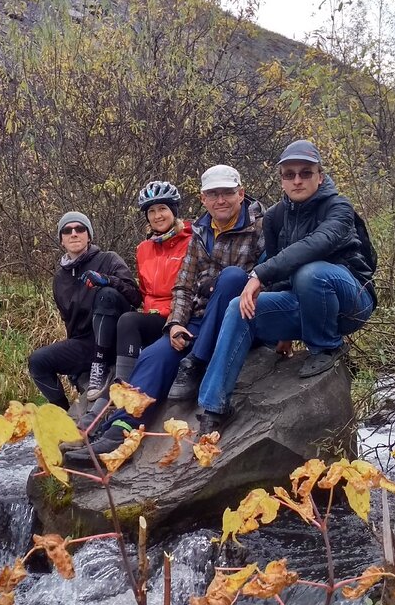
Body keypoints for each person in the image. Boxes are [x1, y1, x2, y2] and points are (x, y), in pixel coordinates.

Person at [65, 165, 265, 464]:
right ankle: (119, 430)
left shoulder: (261, 226)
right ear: (203, 198)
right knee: (154, 356)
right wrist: (175, 325)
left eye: (226, 192)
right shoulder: (202, 233)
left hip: (241, 318)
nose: (220, 199)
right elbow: (183, 287)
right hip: (199, 320)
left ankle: (195, 361)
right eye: (213, 194)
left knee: (233, 278)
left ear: (241, 192)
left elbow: (274, 272)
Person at [194, 139, 377, 436]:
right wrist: (279, 327)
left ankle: (327, 346)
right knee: (239, 307)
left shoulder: (339, 207)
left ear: (320, 175)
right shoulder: (277, 216)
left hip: (351, 301)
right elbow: (280, 275)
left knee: (310, 272)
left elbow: (316, 245)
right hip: (303, 303)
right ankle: (214, 407)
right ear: (281, 178)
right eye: (289, 174)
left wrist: (258, 275)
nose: (297, 180)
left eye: (306, 172)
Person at [76, 181, 193, 428]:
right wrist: (109, 282)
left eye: (162, 208)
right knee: (126, 319)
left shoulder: (192, 240)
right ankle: (116, 388)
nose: (157, 215)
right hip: (152, 317)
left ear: (174, 210)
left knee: (129, 321)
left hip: (179, 316)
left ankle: (119, 392)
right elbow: (141, 294)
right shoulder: (143, 249)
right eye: (151, 211)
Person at [28, 211, 142, 410]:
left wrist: (108, 280)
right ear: (61, 240)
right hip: (85, 343)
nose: (74, 233)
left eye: (80, 229)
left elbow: (135, 296)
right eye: (67, 230)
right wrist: (74, 369)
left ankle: (100, 367)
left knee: (106, 294)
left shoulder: (108, 259)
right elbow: (69, 321)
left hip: (118, 338)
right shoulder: (59, 279)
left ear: (88, 235)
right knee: (37, 361)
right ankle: (61, 413)